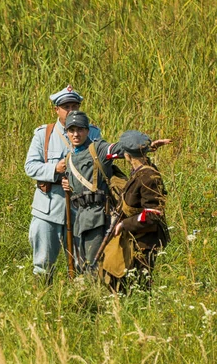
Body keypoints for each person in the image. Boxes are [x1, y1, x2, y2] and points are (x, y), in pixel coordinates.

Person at [60, 112, 170, 274]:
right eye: (72, 130)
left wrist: (147, 145)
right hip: (79, 218)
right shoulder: (68, 158)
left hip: (98, 217)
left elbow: (121, 148)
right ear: (67, 132)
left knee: (97, 266)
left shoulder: (97, 149)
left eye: (80, 130)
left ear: (88, 131)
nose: (76, 134)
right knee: (81, 265)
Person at [24, 85, 101, 282]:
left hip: (80, 207)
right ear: (57, 110)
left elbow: (100, 164)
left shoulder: (92, 133)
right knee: (42, 263)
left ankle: (80, 300)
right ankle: (42, 299)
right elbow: (30, 167)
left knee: (82, 262)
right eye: (66, 106)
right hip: (48, 208)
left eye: (75, 106)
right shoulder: (44, 134)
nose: (71, 110)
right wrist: (54, 170)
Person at [101, 131, 170, 292]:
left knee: (140, 288)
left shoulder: (148, 176)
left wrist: (125, 224)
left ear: (127, 155)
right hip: (136, 239)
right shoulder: (140, 171)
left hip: (144, 242)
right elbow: (111, 157)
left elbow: (153, 214)